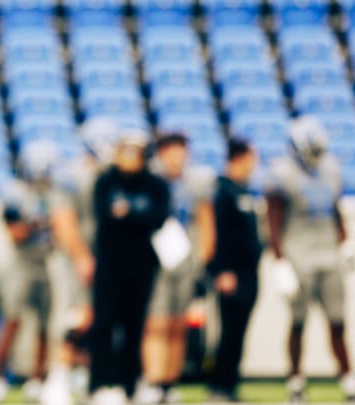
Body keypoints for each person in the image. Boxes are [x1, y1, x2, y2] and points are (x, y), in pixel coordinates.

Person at [264, 116, 355, 403]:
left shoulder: (329, 168)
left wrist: (345, 243)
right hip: (298, 254)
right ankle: (295, 380)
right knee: (299, 322)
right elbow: (274, 221)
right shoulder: (282, 173)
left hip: (328, 253)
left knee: (338, 321)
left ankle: (348, 378)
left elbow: (335, 210)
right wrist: (279, 261)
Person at [40, 116, 120, 405]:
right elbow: (64, 221)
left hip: (98, 258)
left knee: (95, 320)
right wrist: (82, 257)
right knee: (68, 317)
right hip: (71, 259)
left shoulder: (107, 177)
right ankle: (56, 379)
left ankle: (90, 380)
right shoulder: (71, 176)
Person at [89, 129, 170, 405]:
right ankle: (99, 384)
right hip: (110, 264)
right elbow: (105, 217)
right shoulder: (106, 182)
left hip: (142, 265)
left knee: (134, 326)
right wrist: (137, 216)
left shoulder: (155, 184)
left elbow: (158, 218)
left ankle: (130, 384)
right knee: (104, 325)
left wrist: (130, 213)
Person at [139, 131, 217, 404]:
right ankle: (152, 379)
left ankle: (169, 381)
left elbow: (206, 223)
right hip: (156, 262)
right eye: (171, 151)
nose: (177, 158)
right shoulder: (151, 182)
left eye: (181, 151)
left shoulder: (195, 184)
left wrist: (202, 261)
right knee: (155, 323)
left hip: (185, 261)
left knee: (178, 324)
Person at [0, 140, 60, 404]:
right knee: (12, 321)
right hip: (22, 264)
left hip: (46, 263)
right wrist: (39, 225)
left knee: (44, 326)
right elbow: (15, 233)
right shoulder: (15, 193)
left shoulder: (54, 194)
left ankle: (38, 379)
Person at [207, 137, 262, 402]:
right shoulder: (223, 191)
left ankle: (229, 384)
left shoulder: (244, 190)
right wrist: (221, 270)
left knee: (239, 331)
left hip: (249, 272)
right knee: (229, 331)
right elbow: (217, 235)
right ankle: (220, 386)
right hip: (232, 273)